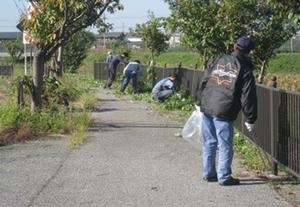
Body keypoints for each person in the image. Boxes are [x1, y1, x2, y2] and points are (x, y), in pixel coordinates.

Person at [196, 36, 257, 186]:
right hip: (224, 108)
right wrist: (251, 118)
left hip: (208, 104)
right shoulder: (245, 68)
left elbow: (204, 80)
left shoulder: (218, 59)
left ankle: (209, 173)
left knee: (209, 142)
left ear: (235, 46)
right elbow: (247, 95)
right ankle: (224, 177)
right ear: (249, 51)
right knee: (225, 144)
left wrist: (199, 101)